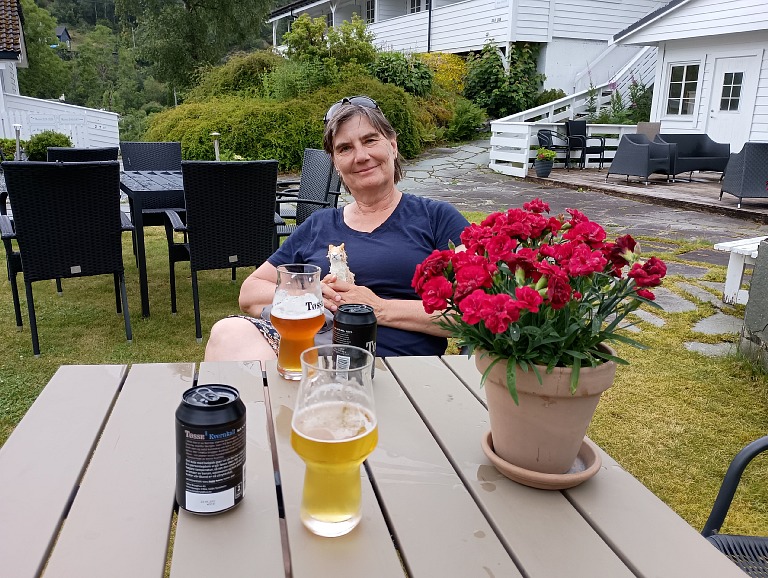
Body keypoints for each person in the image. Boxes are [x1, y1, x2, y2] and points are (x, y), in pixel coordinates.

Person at [204, 95, 469, 362]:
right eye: (345, 148)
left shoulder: (436, 219)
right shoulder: (319, 224)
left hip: (390, 366)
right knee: (229, 334)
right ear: (335, 163)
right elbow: (250, 293)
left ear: (392, 145)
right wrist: (310, 293)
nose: (361, 156)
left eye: (370, 140)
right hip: (307, 355)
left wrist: (379, 308)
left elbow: (477, 310)